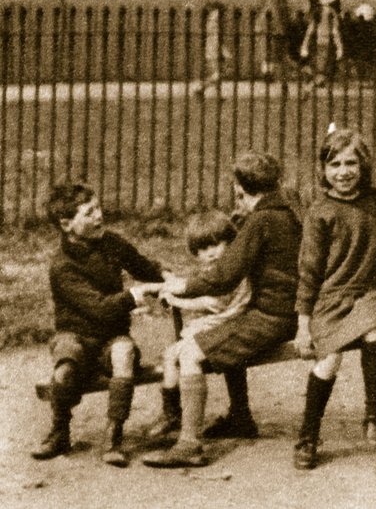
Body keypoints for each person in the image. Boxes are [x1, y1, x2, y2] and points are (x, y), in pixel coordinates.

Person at [141, 152, 303, 468]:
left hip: (271, 318)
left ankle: (189, 444)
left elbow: (224, 275)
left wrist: (182, 286)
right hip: (282, 312)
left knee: (191, 353)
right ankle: (240, 417)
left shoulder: (262, 221)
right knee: (221, 336)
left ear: (241, 188)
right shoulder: (284, 213)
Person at [292, 128, 376, 469]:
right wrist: (303, 325)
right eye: (335, 164)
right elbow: (308, 272)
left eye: (351, 163)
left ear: (364, 166)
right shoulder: (320, 211)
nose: (344, 171)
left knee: (373, 333)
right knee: (328, 362)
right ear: (324, 169)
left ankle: (373, 415)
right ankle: (308, 434)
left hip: (366, 292)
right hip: (330, 296)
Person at [32, 183, 166, 466]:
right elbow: (99, 308)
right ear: (66, 224)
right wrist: (133, 295)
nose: (99, 216)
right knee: (65, 368)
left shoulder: (112, 244)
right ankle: (59, 430)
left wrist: (166, 278)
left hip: (111, 337)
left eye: (98, 208)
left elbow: (144, 268)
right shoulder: (62, 266)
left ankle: (114, 435)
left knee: (124, 353)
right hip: (76, 335)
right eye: (89, 212)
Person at [144, 211, 246, 442]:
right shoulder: (218, 269)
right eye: (202, 249)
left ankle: (173, 414)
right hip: (224, 321)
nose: (209, 253)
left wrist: (177, 300)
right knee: (171, 354)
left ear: (230, 242)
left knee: (174, 355)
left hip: (227, 322)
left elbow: (213, 304)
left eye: (215, 245)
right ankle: (173, 411)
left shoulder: (231, 270)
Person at [300, 0, 345, 90]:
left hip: (315, 31)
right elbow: (338, 17)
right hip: (328, 32)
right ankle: (316, 81)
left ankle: (313, 75)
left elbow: (309, 15)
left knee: (316, 56)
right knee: (326, 58)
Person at [255, 0, 293, 81]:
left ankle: (266, 72)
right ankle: (271, 74)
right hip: (276, 22)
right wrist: (285, 23)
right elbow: (282, 8)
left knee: (265, 48)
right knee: (274, 50)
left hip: (263, 21)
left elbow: (260, 5)